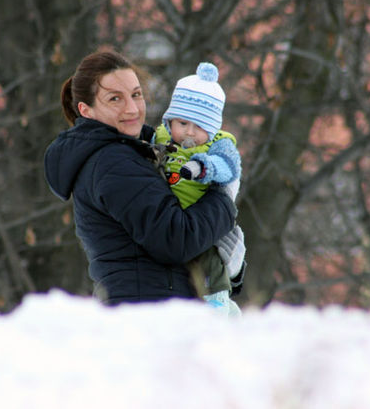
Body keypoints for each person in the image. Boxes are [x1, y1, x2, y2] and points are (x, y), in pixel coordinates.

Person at [43, 47, 246, 306]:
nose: (132, 108)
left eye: (136, 95)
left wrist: (225, 270)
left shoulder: (139, 150)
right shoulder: (113, 163)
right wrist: (223, 199)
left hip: (154, 305)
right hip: (145, 312)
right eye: (115, 99)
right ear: (86, 110)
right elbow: (175, 239)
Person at [153, 62, 245, 316]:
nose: (189, 133)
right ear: (170, 120)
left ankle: (219, 299)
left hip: (202, 214)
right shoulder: (160, 137)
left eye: (200, 127)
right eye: (182, 123)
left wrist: (205, 167)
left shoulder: (219, 143)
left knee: (210, 258)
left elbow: (229, 166)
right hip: (172, 215)